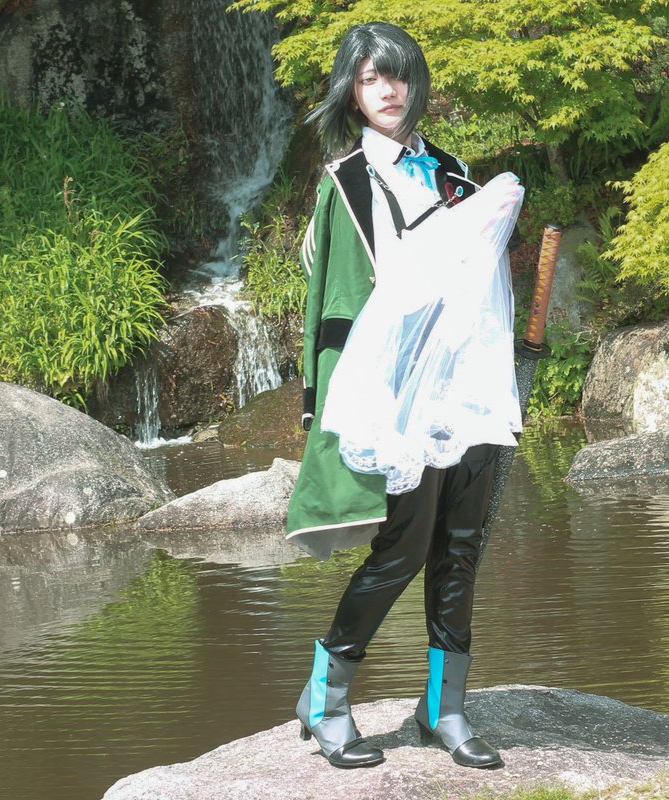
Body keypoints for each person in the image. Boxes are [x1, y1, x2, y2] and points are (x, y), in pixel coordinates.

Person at [285, 22, 524, 770]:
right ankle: (325, 697)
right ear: (350, 94)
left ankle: (444, 711)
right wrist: (333, 408)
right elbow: (336, 301)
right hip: (395, 391)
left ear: (415, 81)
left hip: (465, 383)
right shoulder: (345, 183)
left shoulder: (453, 171)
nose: (386, 91)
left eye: (396, 75)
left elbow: (481, 280)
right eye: (368, 79)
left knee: (462, 547)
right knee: (403, 549)